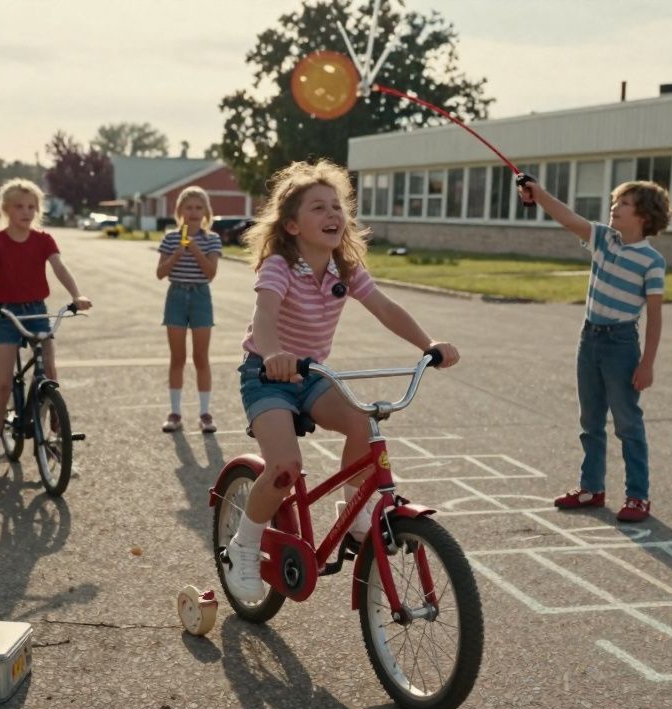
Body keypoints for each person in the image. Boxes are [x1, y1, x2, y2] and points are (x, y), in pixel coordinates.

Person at [222, 160, 460, 600]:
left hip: (312, 375)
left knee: (362, 423)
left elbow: (385, 308)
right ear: (292, 225)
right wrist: (272, 354)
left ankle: (354, 512)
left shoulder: (344, 269)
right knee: (285, 466)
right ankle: (245, 545)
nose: (332, 214)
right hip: (267, 375)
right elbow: (265, 314)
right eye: (318, 208)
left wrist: (429, 344)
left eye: (337, 206)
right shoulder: (279, 266)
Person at [516, 174, 669, 523]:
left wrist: (647, 364)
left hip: (621, 344)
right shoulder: (603, 239)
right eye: (615, 201)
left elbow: (655, 316)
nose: (615, 207)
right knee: (590, 420)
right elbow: (567, 217)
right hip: (590, 338)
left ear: (644, 215)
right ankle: (591, 488)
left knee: (627, 423)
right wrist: (539, 193)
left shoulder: (652, 261)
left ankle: (638, 496)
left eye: (624, 203)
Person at [0, 179, 91, 482]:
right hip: (5, 313)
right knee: (1, 385)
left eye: (31, 207)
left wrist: (76, 295)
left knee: (49, 374)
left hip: (37, 310)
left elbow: (59, 267)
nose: (26, 212)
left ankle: (56, 446)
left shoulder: (44, 240)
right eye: (19, 207)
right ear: (6, 209)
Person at [155, 186, 223, 433]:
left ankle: (205, 413)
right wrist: (176, 254)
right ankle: (175, 413)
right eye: (189, 208)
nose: (193, 212)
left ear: (206, 212)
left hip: (200, 297)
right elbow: (160, 273)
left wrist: (194, 249)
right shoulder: (170, 238)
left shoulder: (211, 239)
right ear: (180, 211)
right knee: (178, 358)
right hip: (175, 295)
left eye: (198, 208)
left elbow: (211, 273)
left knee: (201, 357)